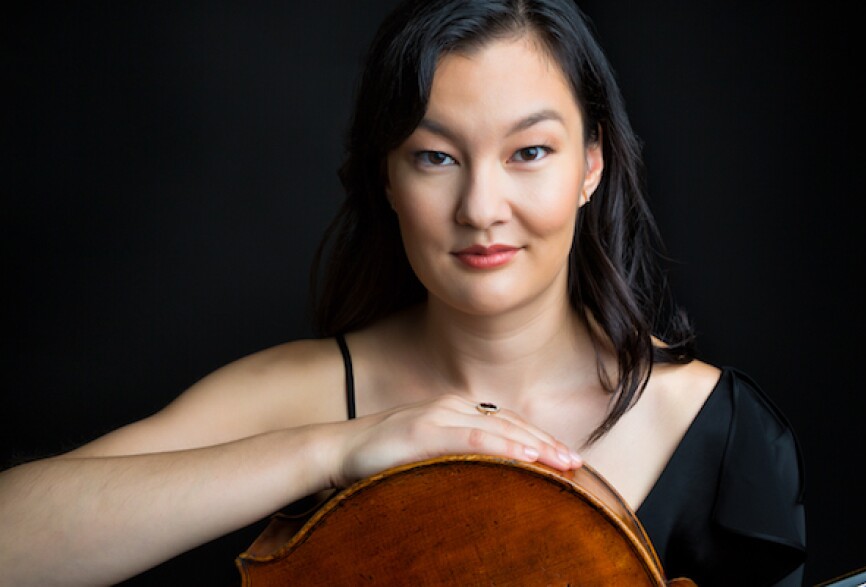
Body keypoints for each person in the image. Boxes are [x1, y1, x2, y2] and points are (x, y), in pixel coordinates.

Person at [0, 0, 806, 585]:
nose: (482, 208)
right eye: (435, 157)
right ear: (387, 176)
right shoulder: (303, 393)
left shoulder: (719, 430)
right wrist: (337, 445)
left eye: (529, 151)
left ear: (592, 164)